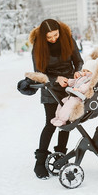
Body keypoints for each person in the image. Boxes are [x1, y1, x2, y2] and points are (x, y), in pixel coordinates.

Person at [19, 19, 83, 179]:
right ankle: (39, 163)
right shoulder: (38, 47)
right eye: (49, 37)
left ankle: (60, 156)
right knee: (50, 123)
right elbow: (39, 73)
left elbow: (78, 61)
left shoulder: (68, 39)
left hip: (69, 87)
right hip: (50, 88)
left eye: (55, 35)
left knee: (66, 123)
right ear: (43, 37)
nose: (53, 39)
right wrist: (56, 78)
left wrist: (78, 72)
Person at [50, 59, 98, 127]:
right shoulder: (81, 78)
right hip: (73, 95)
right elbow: (74, 82)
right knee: (62, 102)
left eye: (88, 71)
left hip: (78, 98)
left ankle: (62, 120)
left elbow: (86, 87)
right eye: (84, 70)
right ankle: (57, 117)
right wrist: (68, 81)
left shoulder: (90, 80)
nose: (85, 72)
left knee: (67, 107)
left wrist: (79, 89)